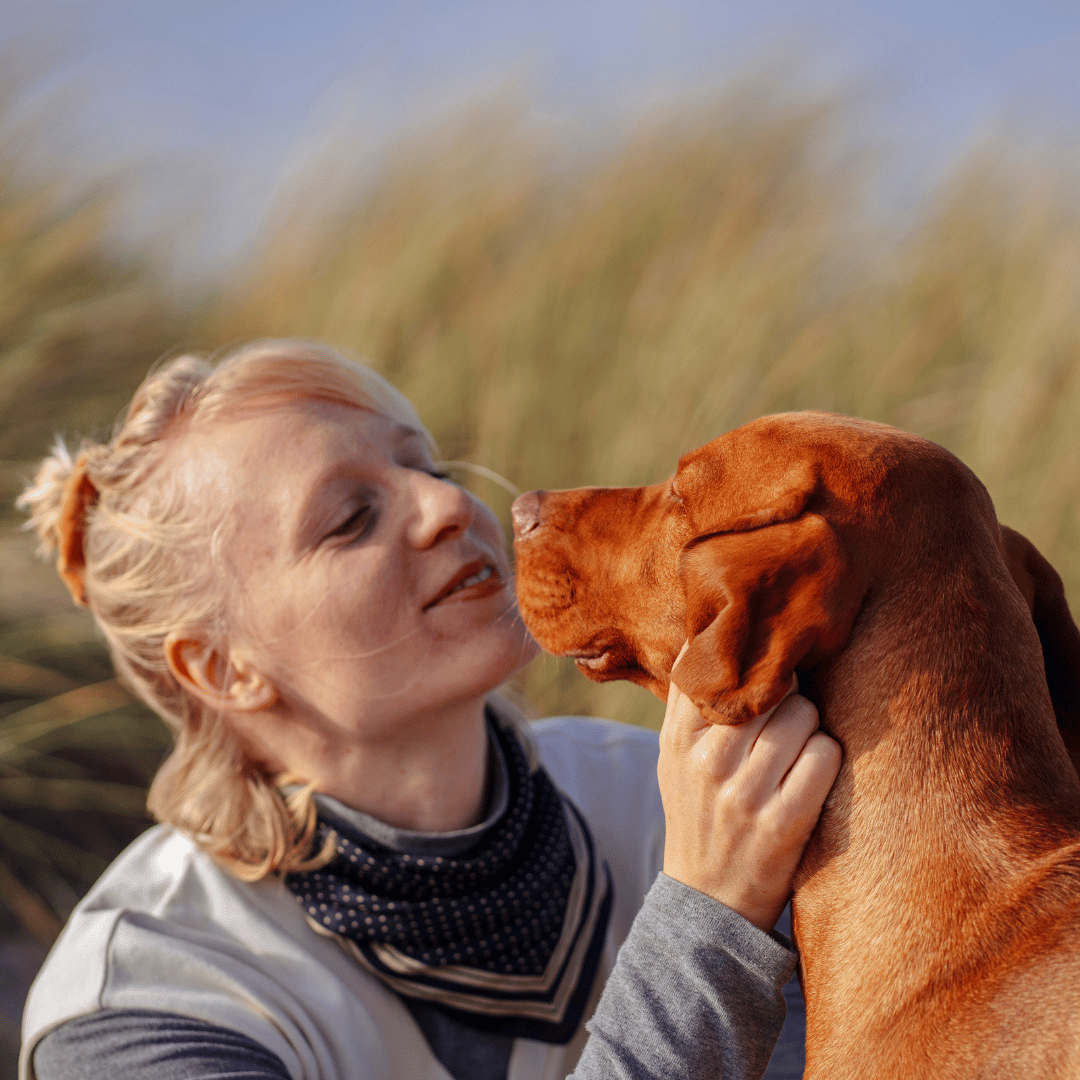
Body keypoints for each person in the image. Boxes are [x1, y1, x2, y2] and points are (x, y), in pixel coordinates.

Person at [17, 340, 841, 1080]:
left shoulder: (675, 800)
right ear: (223, 669)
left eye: (431, 469)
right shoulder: (141, 1001)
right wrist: (710, 920)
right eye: (350, 520)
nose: (448, 508)